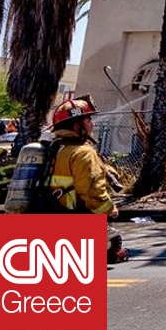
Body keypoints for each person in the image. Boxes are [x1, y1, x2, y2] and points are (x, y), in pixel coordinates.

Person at [48, 95, 129, 264]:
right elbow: (92, 191)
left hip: (51, 213)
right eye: (88, 120)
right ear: (77, 125)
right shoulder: (83, 153)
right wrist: (109, 209)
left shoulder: (55, 148)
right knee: (113, 241)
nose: (92, 123)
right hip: (73, 217)